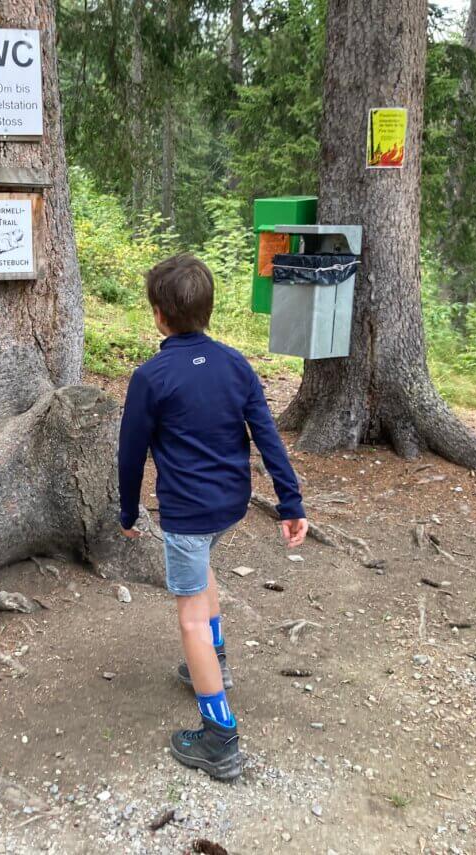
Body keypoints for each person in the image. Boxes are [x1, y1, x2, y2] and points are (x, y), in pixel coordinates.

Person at [117, 253, 308, 781]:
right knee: (206, 575)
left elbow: (131, 454)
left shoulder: (150, 378)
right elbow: (266, 434)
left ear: (159, 314)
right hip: (230, 507)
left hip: (185, 514)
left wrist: (128, 510)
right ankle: (215, 660)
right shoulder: (235, 364)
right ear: (208, 309)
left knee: (189, 616)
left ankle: (219, 738)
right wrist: (290, 503)